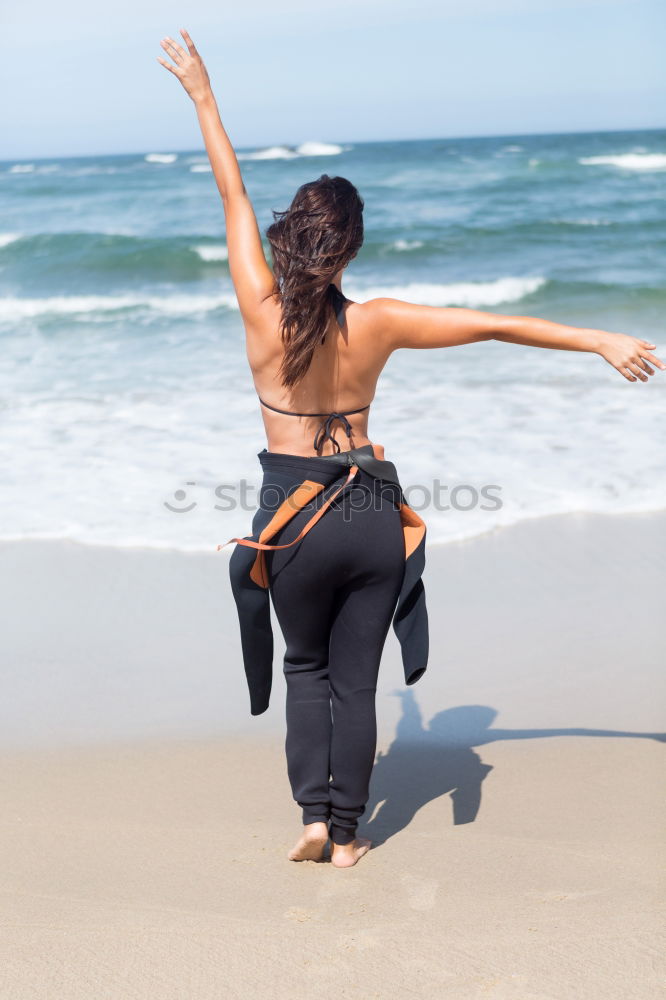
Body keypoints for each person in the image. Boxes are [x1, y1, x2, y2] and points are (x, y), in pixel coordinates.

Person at [158, 30, 665, 869]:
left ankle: (315, 819)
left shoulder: (259, 311)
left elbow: (229, 195)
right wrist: (600, 338)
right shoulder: (380, 321)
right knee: (357, 680)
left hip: (290, 517)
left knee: (306, 669)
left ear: (292, 241)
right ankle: (352, 836)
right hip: (366, 512)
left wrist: (204, 97)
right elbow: (496, 324)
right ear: (349, 249)